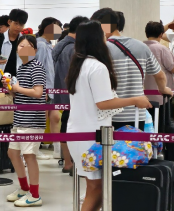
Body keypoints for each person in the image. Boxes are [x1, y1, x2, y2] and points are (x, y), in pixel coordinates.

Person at [65, 20, 152, 211]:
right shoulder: (97, 67)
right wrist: (135, 99)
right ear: (98, 39)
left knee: (95, 185)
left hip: (79, 133)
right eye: (103, 35)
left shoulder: (79, 64)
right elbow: (103, 103)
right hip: (93, 136)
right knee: (97, 187)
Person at [91, 8, 172, 129]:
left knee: (110, 147)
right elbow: (159, 75)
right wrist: (163, 89)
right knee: (134, 147)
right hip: (137, 113)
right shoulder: (141, 46)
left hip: (110, 114)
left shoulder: (101, 49)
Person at [5, 35, 46, 207]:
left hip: (32, 120)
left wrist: (17, 87)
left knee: (29, 156)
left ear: (35, 50)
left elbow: (38, 92)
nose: (24, 49)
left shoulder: (36, 66)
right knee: (13, 153)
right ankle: (24, 188)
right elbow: (20, 93)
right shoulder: (21, 67)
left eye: (28, 46)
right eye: (21, 46)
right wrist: (11, 89)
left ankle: (35, 194)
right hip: (19, 118)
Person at [52, 16, 89, 173]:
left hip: (61, 96)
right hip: (73, 96)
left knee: (65, 127)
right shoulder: (73, 49)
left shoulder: (59, 45)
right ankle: (71, 163)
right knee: (72, 129)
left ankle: (68, 161)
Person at [36, 17, 63, 158]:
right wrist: (41, 87)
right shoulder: (40, 45)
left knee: (55, 118)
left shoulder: (47, 45)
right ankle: (35, 148)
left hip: (51, 89)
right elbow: (38, 67)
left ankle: (57, 149)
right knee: (42, 118)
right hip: (44, 89)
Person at [144, 21, 174, 123]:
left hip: (143, 96)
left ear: (146, 33)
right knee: (161, 126)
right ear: (161, 34)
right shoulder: (162, 49)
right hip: (161, 96)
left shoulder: (139, 48)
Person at [0, 9, 28, 79]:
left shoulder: (25, 41)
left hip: (19, 82)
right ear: (9, 22)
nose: (18, 27)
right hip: (1, 80)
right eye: (16, 23)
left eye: (21, 24)